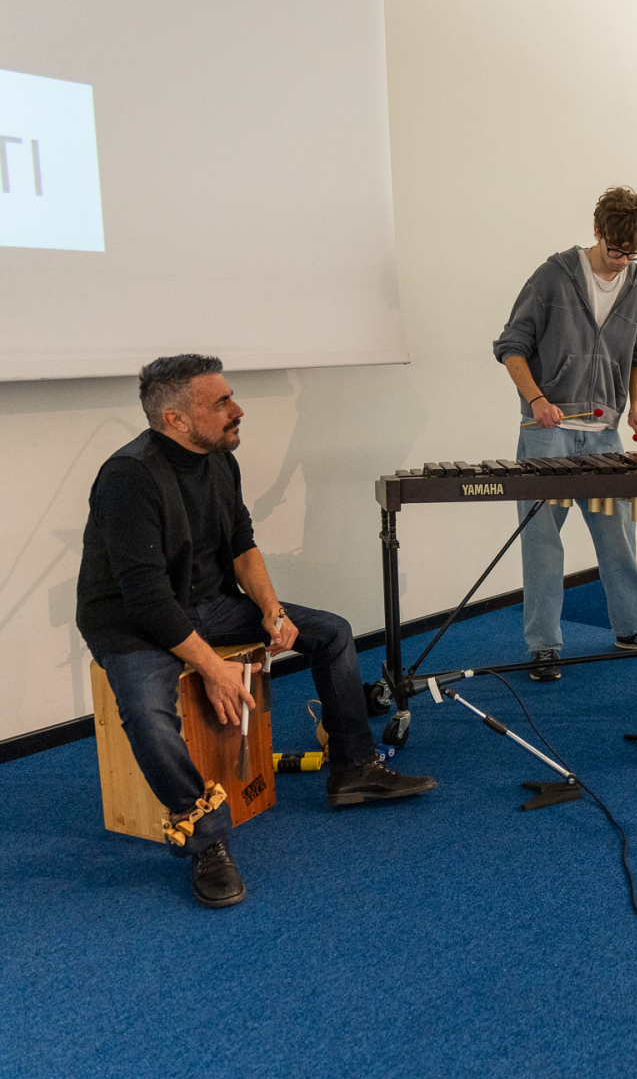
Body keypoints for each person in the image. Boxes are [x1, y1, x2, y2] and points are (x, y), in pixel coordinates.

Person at [77, 355, 437, 909]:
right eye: (221, 402)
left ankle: (354, 768)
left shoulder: (220, 459)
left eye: (231, 397)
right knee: (146, 712)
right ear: (174, 418)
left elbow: (242, 545)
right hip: (133, 624)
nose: (237, 409)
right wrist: (211, 667)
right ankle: (205, 839)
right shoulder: (129, 478)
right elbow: (146, 598)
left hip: (208, 604)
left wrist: (271, 610)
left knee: (332, 633)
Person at [492, 186, 637, 679]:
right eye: (616, 250)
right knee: (542, 543)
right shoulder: (553, 276)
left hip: (604, 434)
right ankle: (544, 646)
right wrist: (537, 399)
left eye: (633, 253)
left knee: (619, 535)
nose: (622, 261)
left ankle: (631, 626)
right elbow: (511, 345)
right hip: (548, 431)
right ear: (597, 231)